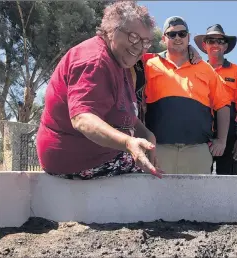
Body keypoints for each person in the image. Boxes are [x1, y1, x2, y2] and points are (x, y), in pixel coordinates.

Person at [36, 2, 163, 179]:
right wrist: (128, 142)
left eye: (146, 42)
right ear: (112, 30)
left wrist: (147, 134)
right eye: (133, 37)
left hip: (98, 155)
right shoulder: (95, 61)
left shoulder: (120, 61)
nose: (139, 47)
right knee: (151, 182)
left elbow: (122, 114)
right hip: (74, 160)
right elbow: (82, 119)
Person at [144, 16, 231, 174]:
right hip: (159, 150)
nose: (178, 38)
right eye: (172, 34)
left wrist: (222, 140)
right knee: (157, 198)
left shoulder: (206, 69)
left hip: (197, 152)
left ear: (188, 37)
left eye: (182, 34)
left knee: (197, 199)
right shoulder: (149, 64)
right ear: (164, 38)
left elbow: (223, 104)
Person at [194, 24, 237, 175]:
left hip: (230, 134)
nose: (216, 45)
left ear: (225, 46)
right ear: (204, 45)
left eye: (220, 41)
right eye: (211, 41)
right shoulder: (196, 70)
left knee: (229, 184)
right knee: (199, 181)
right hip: (201, 134)